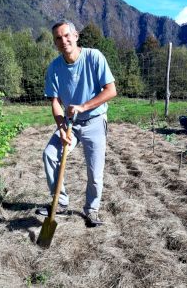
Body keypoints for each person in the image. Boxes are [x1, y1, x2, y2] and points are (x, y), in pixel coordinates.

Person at [36, 19, 117, 226]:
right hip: (70, 124)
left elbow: (111, 91)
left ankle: (92, 210)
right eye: (58, 38)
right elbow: (55, 101)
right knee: (50, 155)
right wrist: (62, 126)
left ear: (76, 35)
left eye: (66, 35)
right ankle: (60, 204)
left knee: (95, 172)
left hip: (94, 121)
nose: (63, 41)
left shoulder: (94, 57)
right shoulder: (54, 67)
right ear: (55, 43)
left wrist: (83, 106)